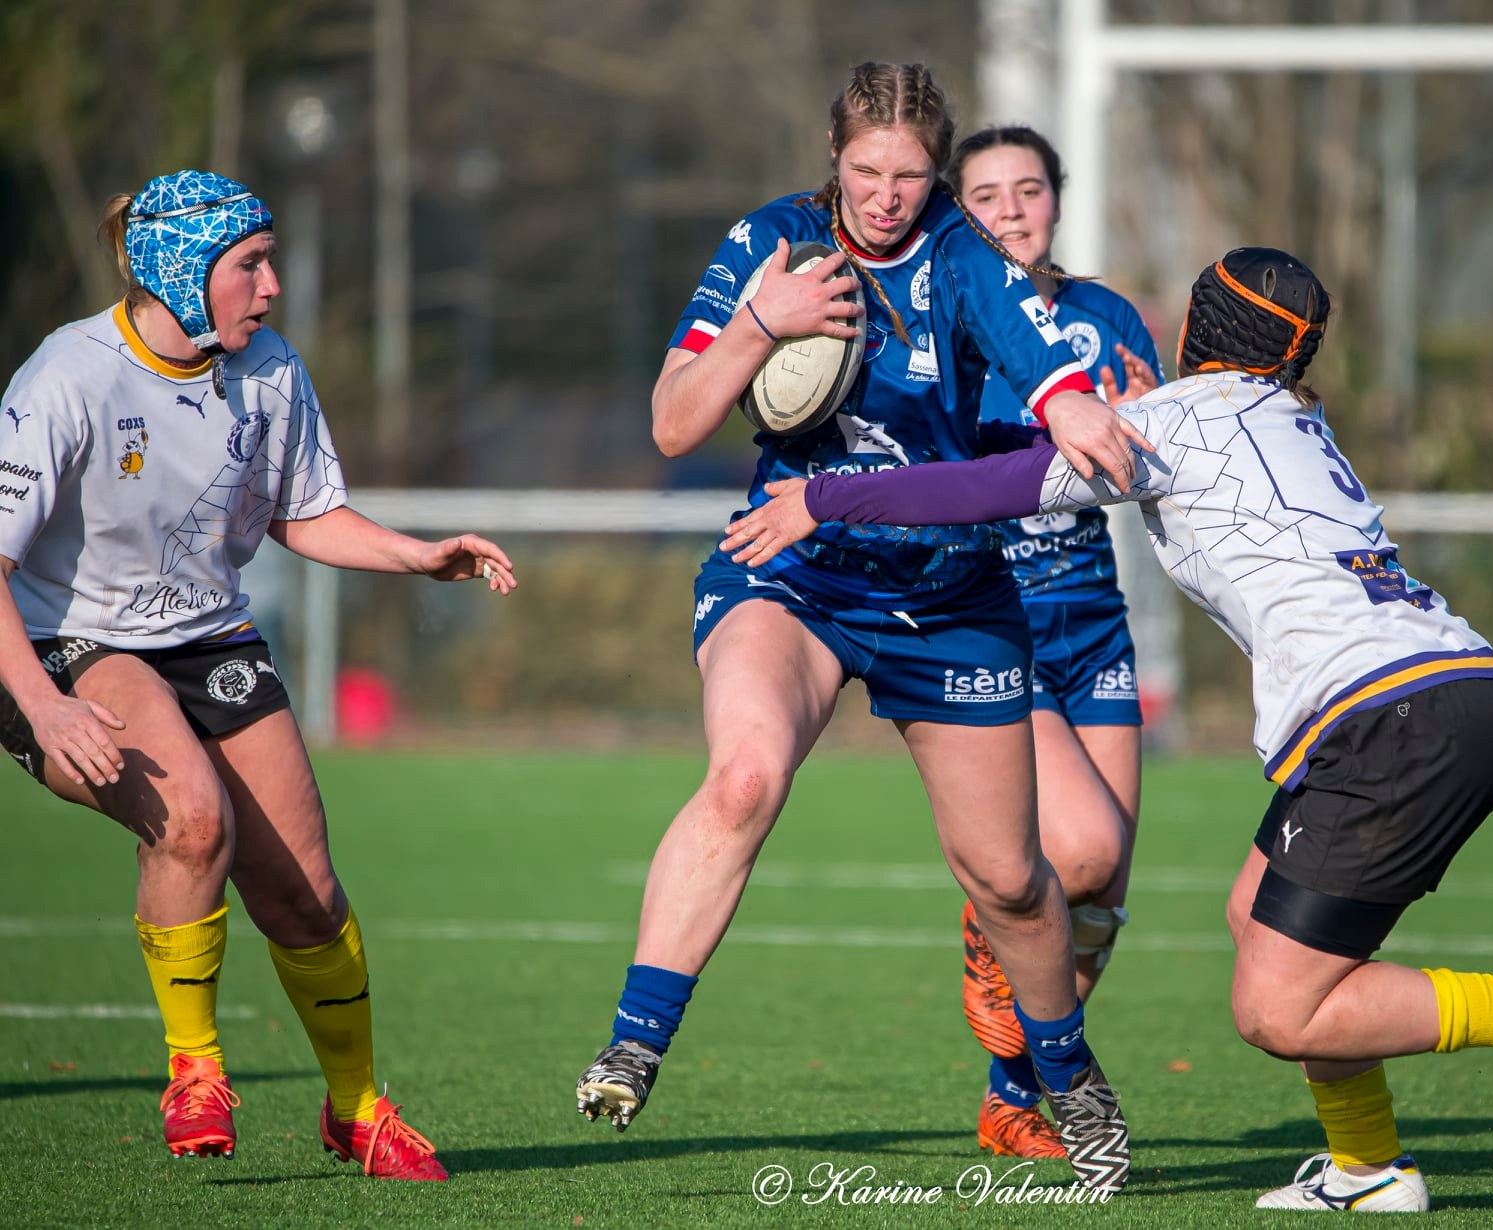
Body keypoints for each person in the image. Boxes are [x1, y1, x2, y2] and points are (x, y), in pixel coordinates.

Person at [721, 245, 1493, 1212]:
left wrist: (825, 495)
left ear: (1196, 327)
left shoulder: (1169, 423)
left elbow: (991, 490)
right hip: (1447, 688)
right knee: (1256, 918)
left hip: (1395, 716)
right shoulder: (1288, 417)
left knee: (1277, 1008)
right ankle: (1370, 1169)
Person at [570, 62, 1141, 1193]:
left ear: (938, 174)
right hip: (796, 565)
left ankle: (1066, 1076)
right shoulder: (771, 242)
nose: (887, 196)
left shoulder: (963, 257)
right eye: (867, 172)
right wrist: (758, 326)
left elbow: (1043, 364)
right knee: (742, 778)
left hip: (948, 594)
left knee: (1013, 881)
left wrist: (1071, 400)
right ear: (833, 158)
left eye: (912, 176)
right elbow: (676, 426)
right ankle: (635, 1040)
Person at [0, 170, 521, 1181]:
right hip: (69, 647)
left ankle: (359, 1111)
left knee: (306, 899)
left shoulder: (269, 369)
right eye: (250, 265)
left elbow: (302, 510)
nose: (273, 287)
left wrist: (417, 554)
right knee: (194, 818)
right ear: (181, 273)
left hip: (212, 642)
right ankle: (194, 1069)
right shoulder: (69, 375)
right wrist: (38, 702)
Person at [941, 125, 1160, 1160]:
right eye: (985, 196)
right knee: (1077, 853)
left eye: (1028, 191)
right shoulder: (940, 318)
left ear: (1055, 203)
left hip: (1092, 616)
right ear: (957, 212)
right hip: (990, 615)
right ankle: (992, 923)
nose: (1010, 210)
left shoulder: (1107, 317)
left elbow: (1144, 456)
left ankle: (1009, 1097)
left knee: (1105, 900)